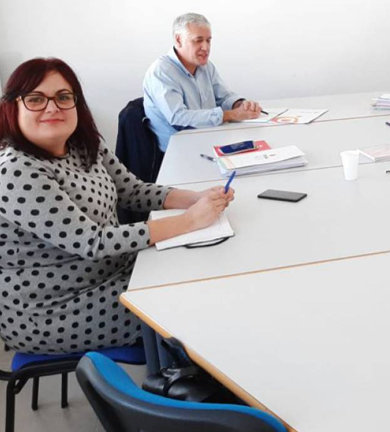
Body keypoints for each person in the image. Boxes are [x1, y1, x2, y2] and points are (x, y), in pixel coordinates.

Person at [0, 58, 234, 354]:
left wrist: (198, 198)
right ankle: (178, 384)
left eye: (63, 97)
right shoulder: (16, 171)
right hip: (53, 309)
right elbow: (92, 241)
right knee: (187, 307)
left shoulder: (85, 145)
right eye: (35, 99)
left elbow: (133, 191)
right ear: (13, 107)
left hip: (114, 273)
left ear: (76, 103)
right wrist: (189, 221)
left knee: (200, 279)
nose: (52, 107)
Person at [143, 13, 262, 152]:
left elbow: (223, 97)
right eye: (198, 40)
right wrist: (230, 114)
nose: (205, 47)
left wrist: (241, 104)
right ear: (179, 40)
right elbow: (178, 118)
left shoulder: (205, 66)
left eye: (208, 40)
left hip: (209, 140)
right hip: (179, 152)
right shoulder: (161, 72)